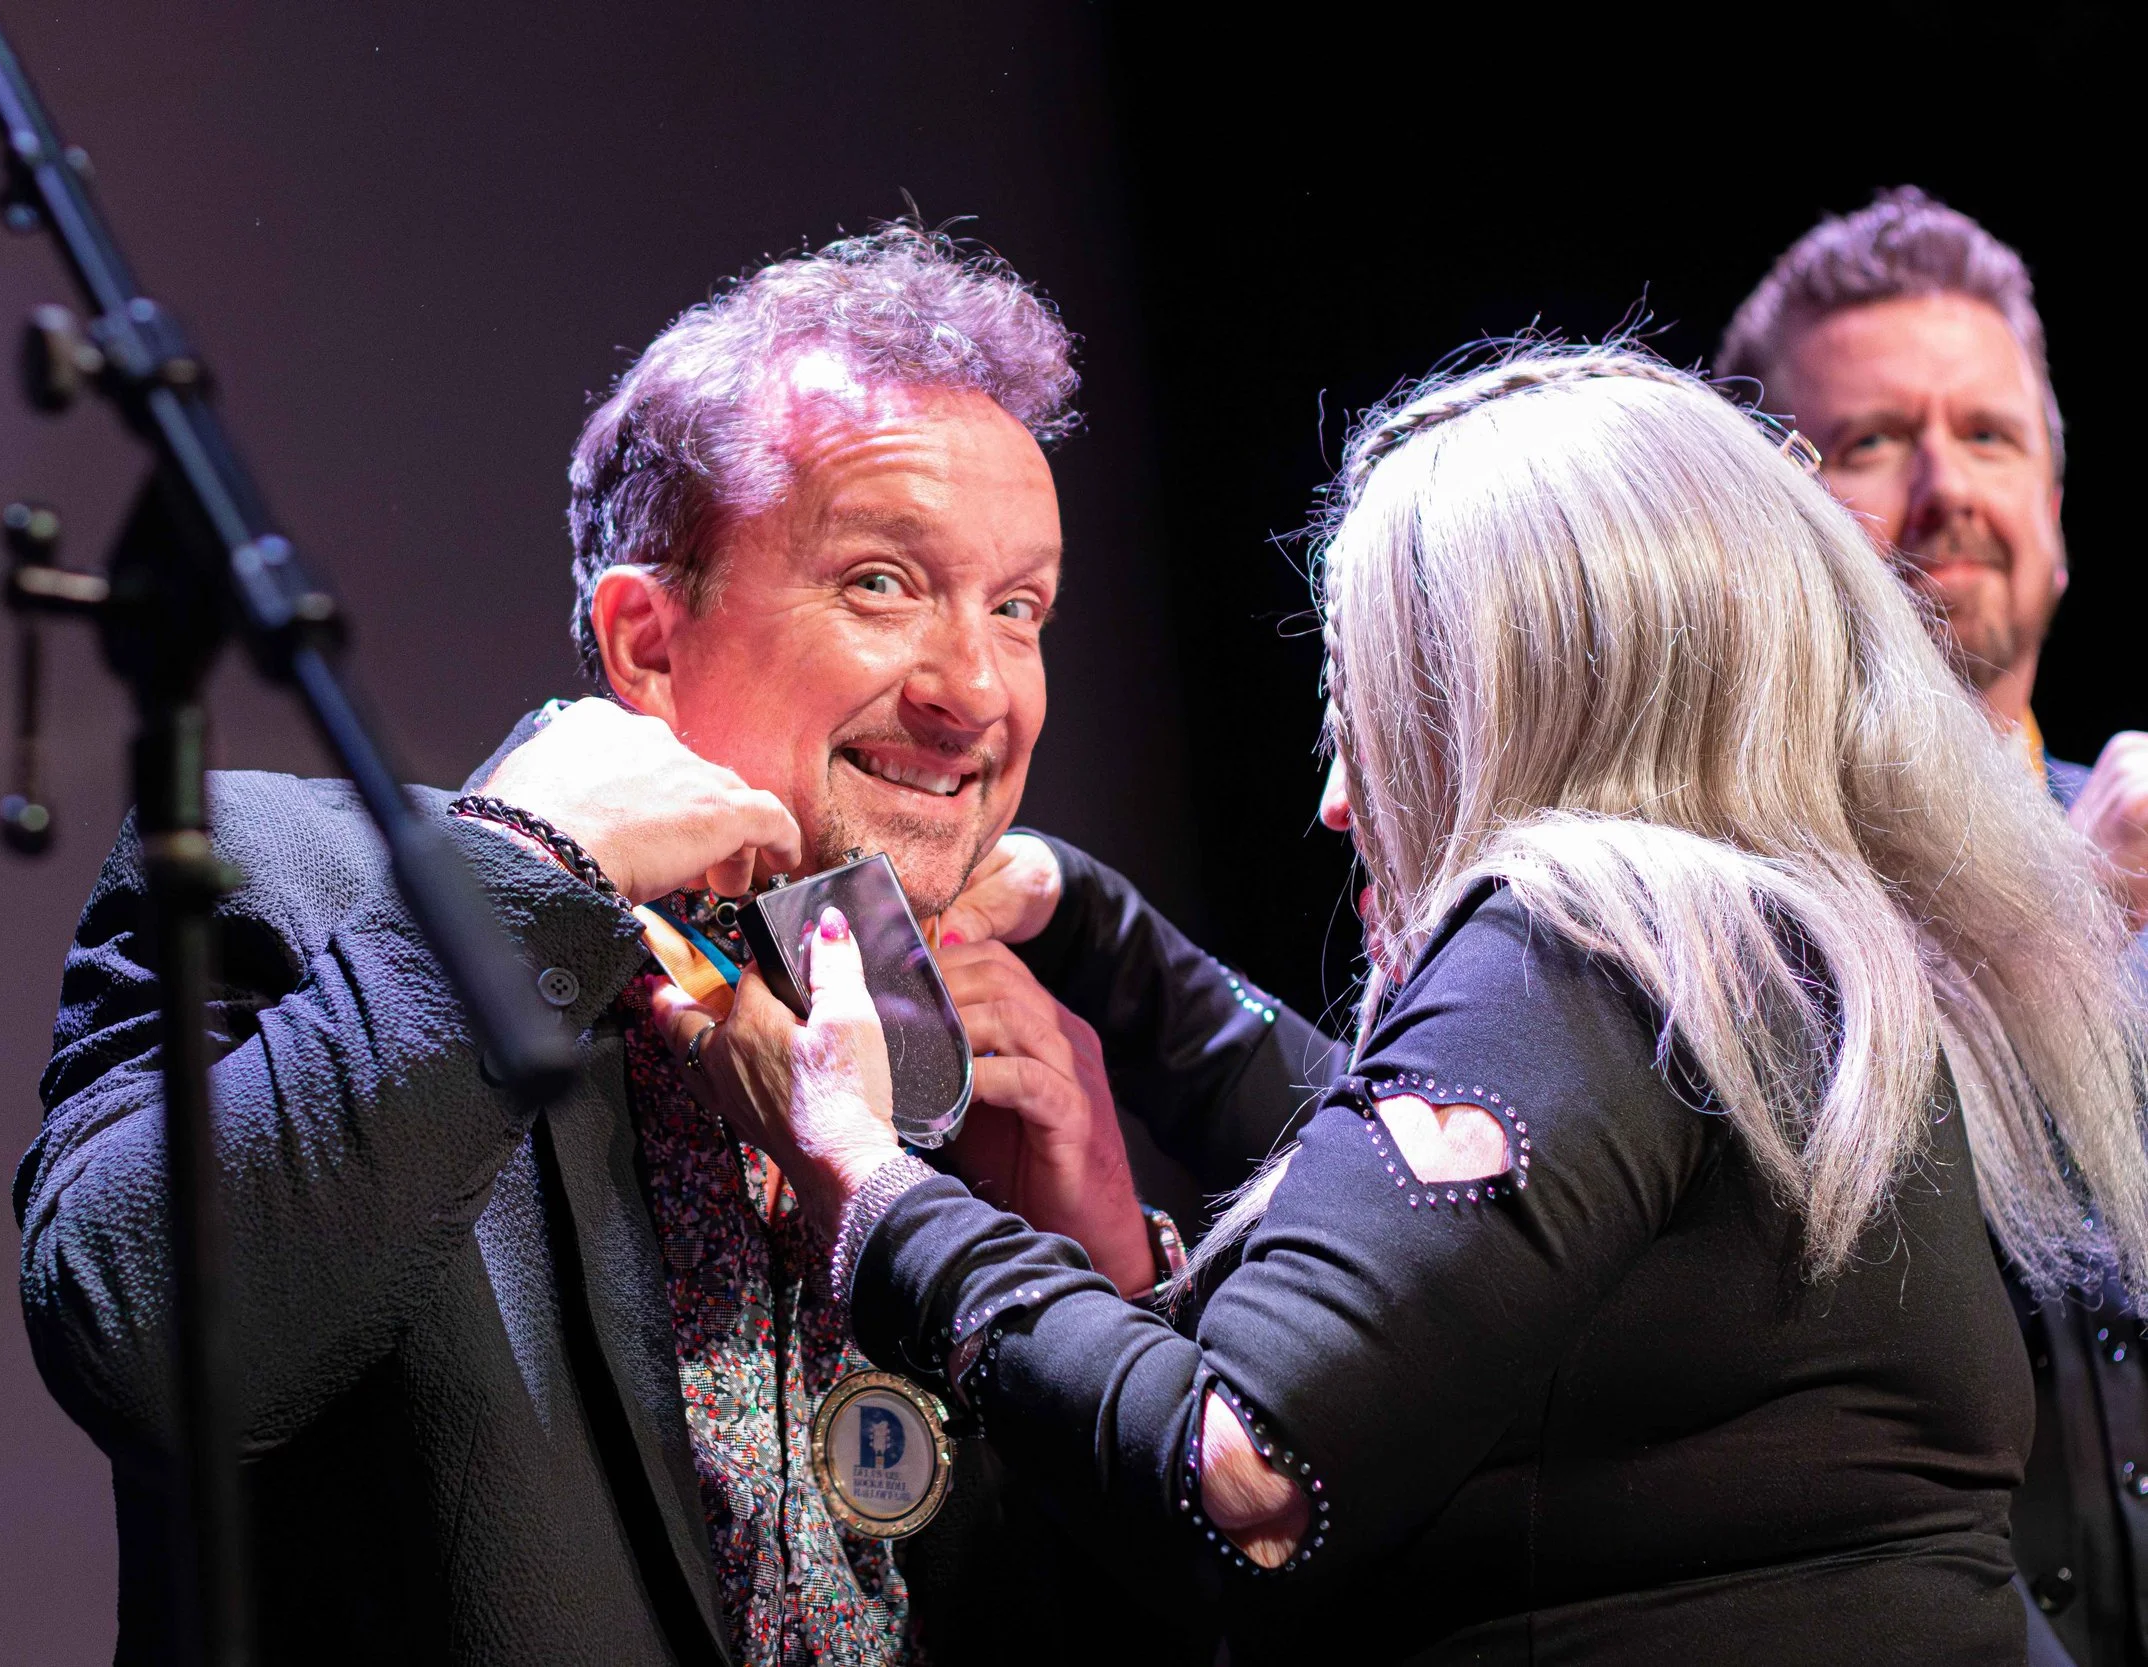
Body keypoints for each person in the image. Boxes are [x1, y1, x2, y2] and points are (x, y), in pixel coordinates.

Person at [689, 345, 2148, 1663]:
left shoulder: (1591, 939)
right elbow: (1457, 1234)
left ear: (1522, 694)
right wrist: (1099, 931)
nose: (1334, 800)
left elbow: (1246, 1472)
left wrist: (872, 1185)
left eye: (1368, 710)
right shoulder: (1781, 964)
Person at [16, 223, 1157, 1665]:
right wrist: (516, 879)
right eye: (882, 582)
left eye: (1019, 608)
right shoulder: (293, 881)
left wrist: (1100, 1281)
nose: (977, 690)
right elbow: (136, 1332)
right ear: (646, 642)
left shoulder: (940, 1063)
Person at [1718, 188, 2148, 1663]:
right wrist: (2066, 923)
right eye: (1872, 441)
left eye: (1991, 435)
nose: (1945, 485)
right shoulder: (1712, 927)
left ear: (2059, 523)